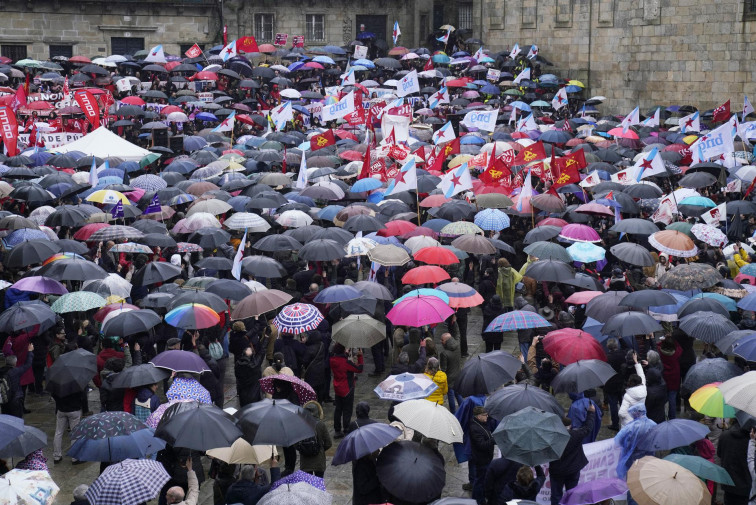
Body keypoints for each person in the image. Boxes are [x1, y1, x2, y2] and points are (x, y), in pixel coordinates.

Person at [549, 404, 596, 505]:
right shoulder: (576, 435)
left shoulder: (551, 438)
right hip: (573, 470)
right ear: (570, 426)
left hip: (557, 471)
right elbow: (588, 427)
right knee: (572, 494)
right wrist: (591, 413)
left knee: (556, 496)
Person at [616, 404, 657, 505]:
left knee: (633, 484)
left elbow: (618, 440)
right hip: (649, 459)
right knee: (647, 481)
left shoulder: (630, 427)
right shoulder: (654, 424)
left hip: (633, 460)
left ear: (635, 413)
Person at [329, 343, 363, 438]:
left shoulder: (332, 360)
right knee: (347, 410)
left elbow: (340, 361)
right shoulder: (345, 362)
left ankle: (337, 430)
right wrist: (360, 357)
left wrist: (345, 354)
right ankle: (346, 428)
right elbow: (359, 369)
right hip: (347, 389)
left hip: (337, 388)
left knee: (338, 410)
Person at [718, 419, 752, 505]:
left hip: (728, 484)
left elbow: (719, 454)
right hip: (746, 486)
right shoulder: (751, 441)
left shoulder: (724, 435)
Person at [297, 401, 332, 478]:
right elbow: (328, 443)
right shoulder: (321, 425)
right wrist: (320, 449)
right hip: (319, 460)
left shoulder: (301, 425)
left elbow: (295, 443)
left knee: (307, 486)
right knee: (318, 486)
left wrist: (304, 449)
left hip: (305, 462)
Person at [469, 406, 495, 505]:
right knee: (479, 481)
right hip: (481, 459)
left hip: (486, 458)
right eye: (485, 415)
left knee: (481, 479)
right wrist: (492, 440)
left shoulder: (481, 423)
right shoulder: (475, 428)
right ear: (478, 416)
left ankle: (479, 498)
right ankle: (478, 500)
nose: (487, 416)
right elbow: (481, 445)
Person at [52, 389, 85, 464]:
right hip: (74, 409)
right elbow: (82, 396)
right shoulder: (76, 384)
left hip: (61, 410)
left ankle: (57, 456)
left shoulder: (58, 383)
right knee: (75, 434)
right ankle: (75, 457)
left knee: (58, 432)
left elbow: (53, 395)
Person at [0, 344, 33, 418]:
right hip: (15, 400)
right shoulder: (16, 371)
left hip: (4, 400)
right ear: (15, 363)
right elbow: (28, 364)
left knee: (7, 419)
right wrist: (29, 351)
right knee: (17, 420)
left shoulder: (1, 371)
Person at [618, 352, 646, 426]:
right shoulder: (643, 388)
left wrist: (626, 418)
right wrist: (636, 362)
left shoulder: (627, 396)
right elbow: (641, 374)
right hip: (640, 421)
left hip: (629, 424)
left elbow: (621, 413)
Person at [439, 331, 462, 413]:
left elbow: (443, 369)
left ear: (447, 341)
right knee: (458, 394)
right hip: (458, 375)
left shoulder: (444, 353)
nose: (441, 342)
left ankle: (453, 413)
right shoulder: (457, 346)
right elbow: (457, 333)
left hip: (449, 378)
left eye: (442, 340)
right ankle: (463, 409)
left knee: (451, 396)